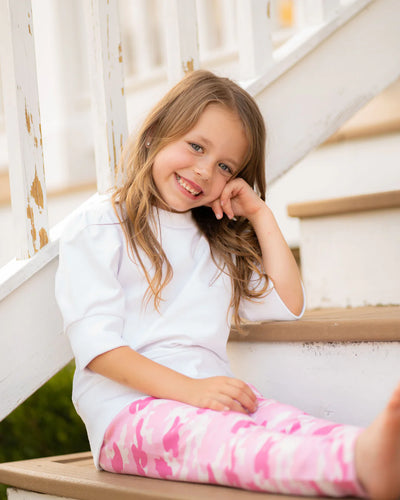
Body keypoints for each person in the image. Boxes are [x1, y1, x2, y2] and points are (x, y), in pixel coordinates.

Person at [56, 70, 400, 499]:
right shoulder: (100, 224)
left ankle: (367, 452)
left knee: (289, 423)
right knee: (234, 446)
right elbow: (99, 350)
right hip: (127, 414)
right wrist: (193, 392)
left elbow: (290, 302)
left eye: (224, 167)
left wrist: (260, 214)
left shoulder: (212, 238)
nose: (203, 171)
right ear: (156, 133)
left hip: (211, 396)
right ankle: (358, 464)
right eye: (196, 146)